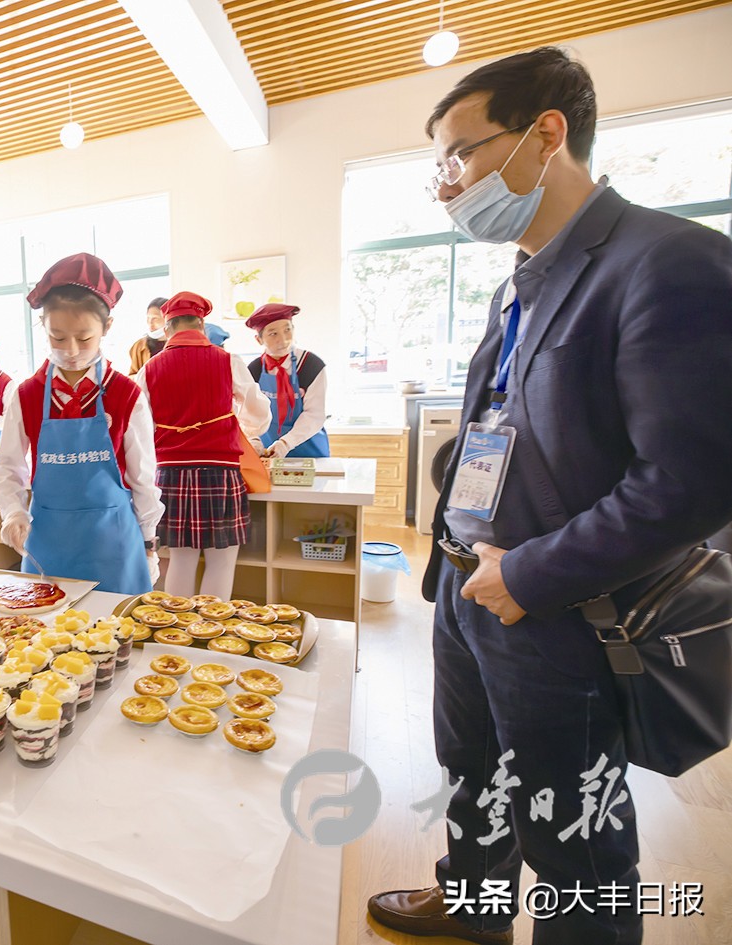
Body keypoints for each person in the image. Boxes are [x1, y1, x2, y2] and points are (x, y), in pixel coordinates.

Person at [367, 48, 732, 945]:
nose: (446, 185)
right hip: (468, 584)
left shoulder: (666, 261)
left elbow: (689, 481)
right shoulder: (517, 283)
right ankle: (474, 904)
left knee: (572, 828)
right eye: (438, 166)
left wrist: (528, 574)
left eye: (459, 154)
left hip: (560, 604)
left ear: (545, 134)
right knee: (473, 773)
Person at [0, 253, 162, 594]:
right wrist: (13, 512)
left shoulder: (126, 394)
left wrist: (148, 542)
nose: (70, 350)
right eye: (57, 337)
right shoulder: (27, 395)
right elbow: (7, 466)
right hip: (47, 545)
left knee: (113, 625)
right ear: (43, 326)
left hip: (113, 545)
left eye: (84, 338)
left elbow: (143, 477)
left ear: (107, 327)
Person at [137, 292, 271, 600]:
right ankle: (213, 625)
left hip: (170, 473)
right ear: (201, 325)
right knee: (221, 563)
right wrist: (241, 424)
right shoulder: (228, 361)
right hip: (220, 472)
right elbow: (259, 414)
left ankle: (178, 626)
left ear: (167, 329)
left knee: (181, 561)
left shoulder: (150, 368)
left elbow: (139, 426)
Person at [245, 303, 330, 458]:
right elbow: (248, 412)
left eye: (287, 330)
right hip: (268, 451)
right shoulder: (254, 370)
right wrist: (253, 439)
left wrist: (285, 443)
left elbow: (315, 414)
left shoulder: (311, 365)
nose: (283, 340)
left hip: (310, 450)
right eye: (273, 334)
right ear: (259, 340)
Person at [127, 296, 169, 374]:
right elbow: (132, 376)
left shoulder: (179, 345)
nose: (150, 323)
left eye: (155, 319)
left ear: (168, 319)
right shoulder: (139, 346)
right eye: (148, 318)